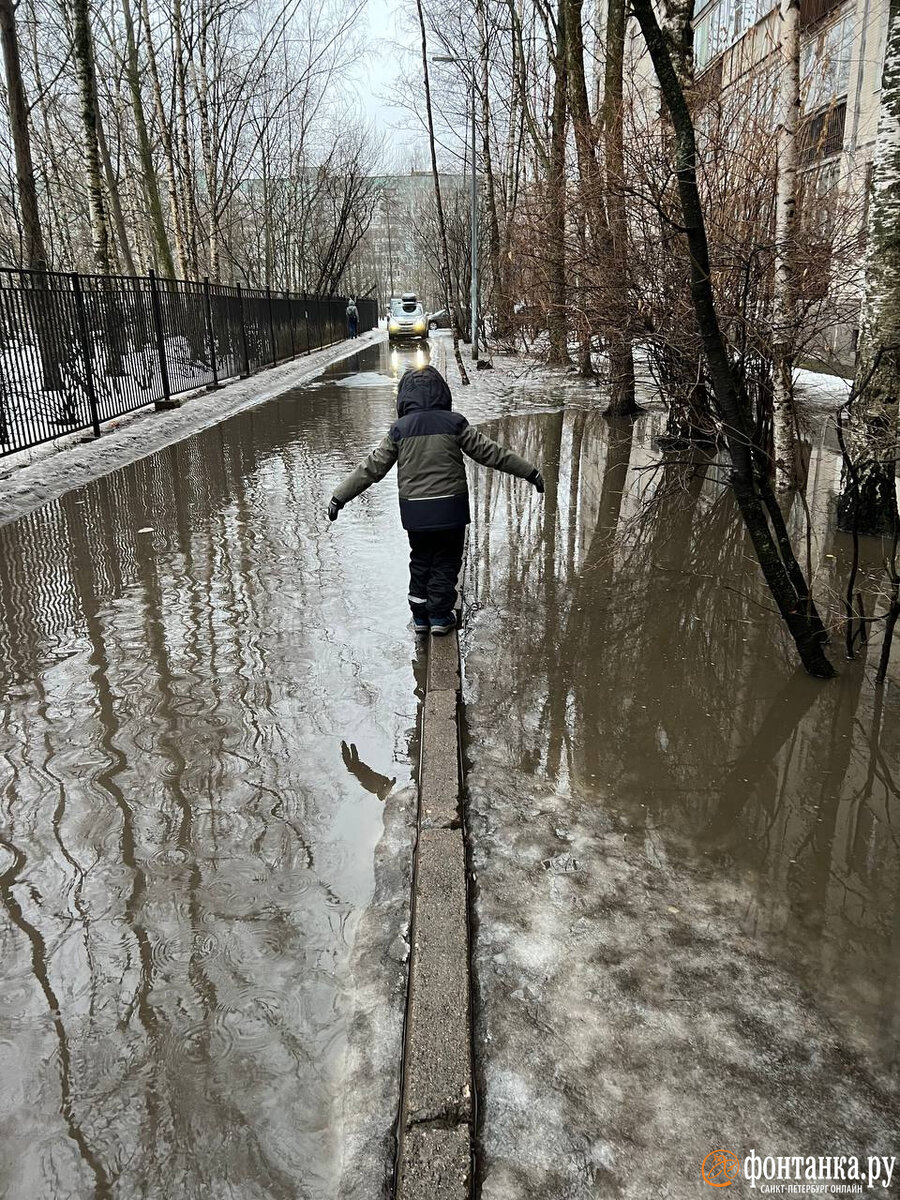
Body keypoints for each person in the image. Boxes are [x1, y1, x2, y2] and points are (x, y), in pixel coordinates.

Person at [327, 364, 544, 636]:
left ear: (404, 398)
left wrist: (339, 497)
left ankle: (420, 618)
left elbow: (371, 468)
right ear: (443, 392)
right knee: (446, 560)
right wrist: (531, 472)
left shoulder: (399, 430)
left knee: (420, 560)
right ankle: (440, 616)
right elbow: (493, 454)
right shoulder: (454, 424)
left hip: (415, 513)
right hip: (450, 510)